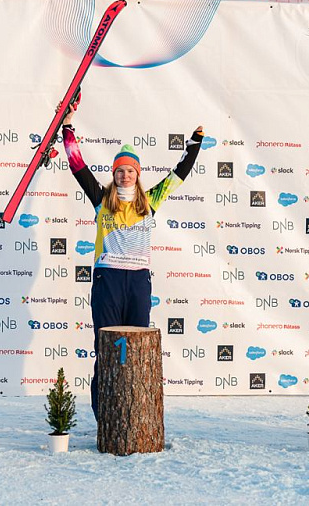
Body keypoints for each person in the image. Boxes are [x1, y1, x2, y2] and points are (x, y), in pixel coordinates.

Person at [61, 103, 203, 420]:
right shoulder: (101, 199)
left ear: (138, 175)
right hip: (107, 279)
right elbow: (77, 165)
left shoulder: (150, 200)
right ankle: (105, 416)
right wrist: (67, 128)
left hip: (137, 280)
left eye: (131, 171)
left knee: (136, 351)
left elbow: (179, 173)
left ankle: (134, 413)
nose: (125, 175)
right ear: (114, 174)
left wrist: (194, 144)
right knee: (107, 348)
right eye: (120, 171)